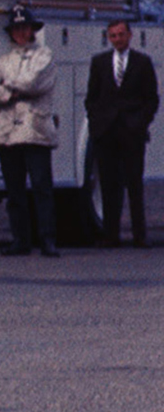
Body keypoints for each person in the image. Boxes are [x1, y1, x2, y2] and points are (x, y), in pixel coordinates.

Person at [0, 6, 60, 257]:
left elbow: (34, 82)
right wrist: (11, 92)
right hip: (7, 132)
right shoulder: (2, 61)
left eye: (24, 28)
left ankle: (47, 239)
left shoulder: (45, 55)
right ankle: (20, 239)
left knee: (41, 187)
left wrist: (7, 86)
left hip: (35, 130)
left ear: (32, 30)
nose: (20, 33)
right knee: (14, 190)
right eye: (16, 29)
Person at [84, 19, 158, 247]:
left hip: (132, 131)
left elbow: (151, 98)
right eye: (113, 36)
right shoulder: (99, 62)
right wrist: (97, 123)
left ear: (130, 35)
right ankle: (111, 234)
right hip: (106, 131)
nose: (118, 39)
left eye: (121, 34)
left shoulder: (142, 62)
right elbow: (91, 97)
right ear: (108, 38)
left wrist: (140, 122)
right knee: (109, 184)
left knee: (134, 183)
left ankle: (139, 235)